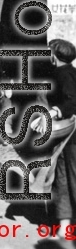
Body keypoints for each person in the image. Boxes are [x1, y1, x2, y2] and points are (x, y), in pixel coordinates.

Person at [31, 39, 76, 237]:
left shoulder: (63, 73)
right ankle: (65, 226)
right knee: (62, 179)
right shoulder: (69, 71)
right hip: (66, 135)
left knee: (68, 179)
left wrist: (52, 113)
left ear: (53, 55)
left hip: (70, 135)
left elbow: (71, 100)